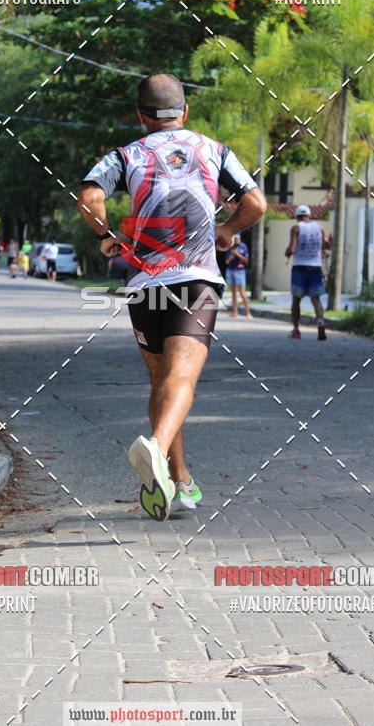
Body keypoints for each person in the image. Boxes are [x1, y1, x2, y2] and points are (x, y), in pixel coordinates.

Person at [78, 73, 267, 522]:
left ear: (141, 115)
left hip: (145, 284)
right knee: (182, 378)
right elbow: (256, 204)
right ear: (184, 111)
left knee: (161, 378)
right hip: (196, 280)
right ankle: (157, 450)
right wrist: (227, 230)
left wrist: (107, 236)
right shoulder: (214, 150)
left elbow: (89, 197)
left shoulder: (125, 155)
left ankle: (179, 482)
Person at [285, 204, 331, 340]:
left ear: (297, 216)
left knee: (296, 300)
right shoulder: (319, 228)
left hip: (300, 268)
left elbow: (292, 249)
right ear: (309, 215)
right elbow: (326, 245)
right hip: (316, 268)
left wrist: (287, 252)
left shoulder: (296, 228)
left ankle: (296, 330)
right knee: (316, 299)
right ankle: (321, 322)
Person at [225, 233, 251, 318]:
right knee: (234, 293)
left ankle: (248, 313)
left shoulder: (243, 246)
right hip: (230, 270)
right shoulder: (230, 247)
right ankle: (235, 312)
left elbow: (246, 261)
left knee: (242, 293)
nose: (236, 240)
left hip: (240, 271)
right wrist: (231, 257)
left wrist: (237, 254)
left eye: (238, 238)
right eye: (235, 238)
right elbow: (227, 262)